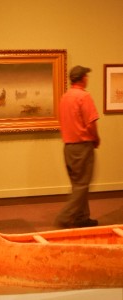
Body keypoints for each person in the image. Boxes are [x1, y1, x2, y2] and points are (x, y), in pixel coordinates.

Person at [54, 65, 100, 228]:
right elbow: (91, 123)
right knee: (82, 185)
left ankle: (82, 217)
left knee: (78, 184)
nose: (87, 78)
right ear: (82, 78)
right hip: (82, 147)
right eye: (86, 76)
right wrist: (96, 138)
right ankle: (65, 217)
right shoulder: (84, 97)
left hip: (68, 147)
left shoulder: (64, 97)